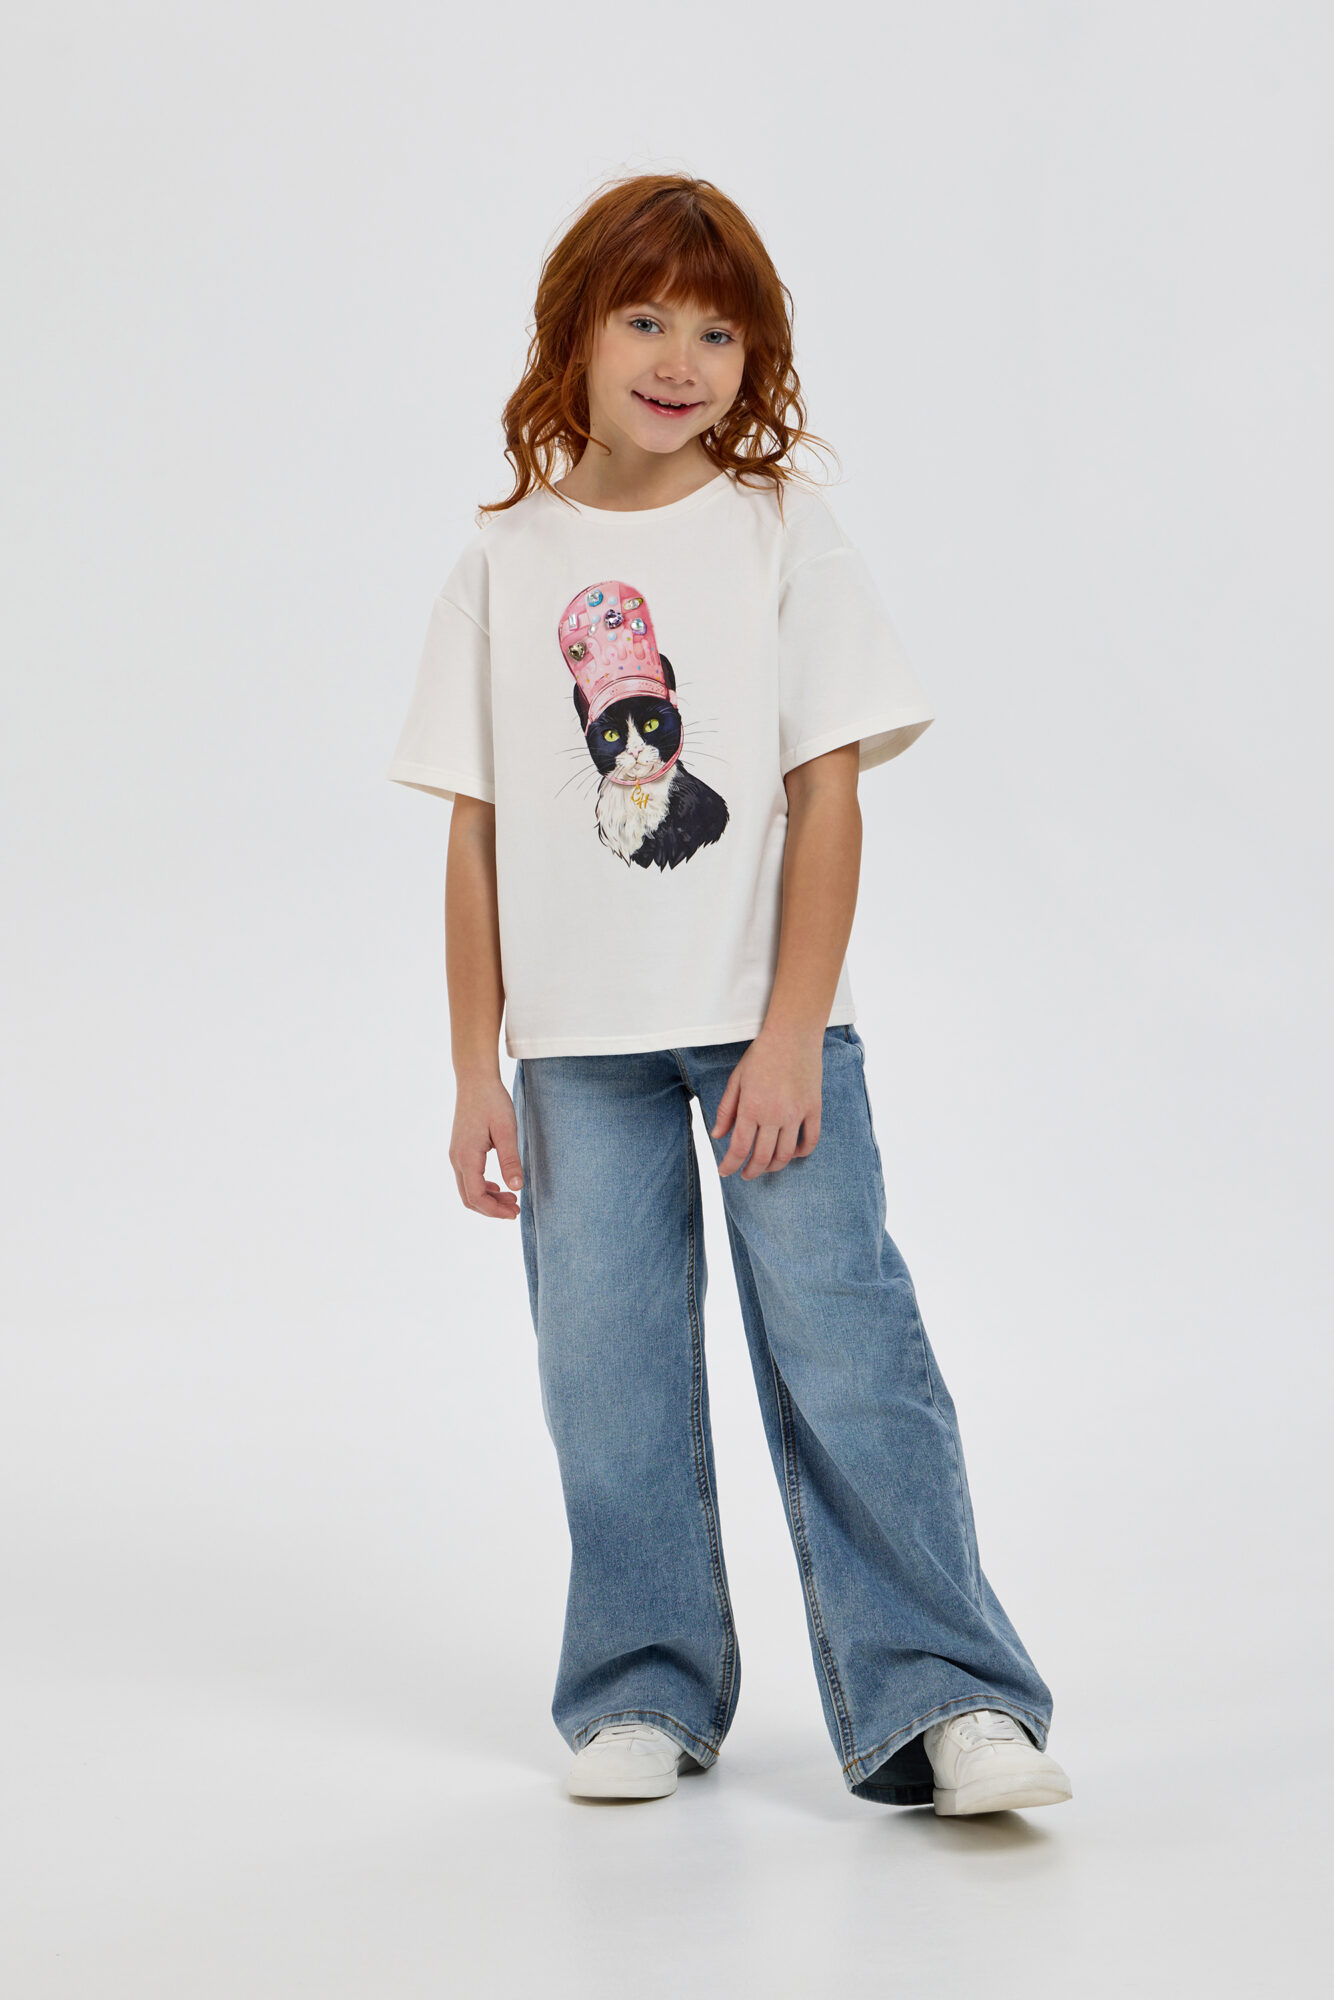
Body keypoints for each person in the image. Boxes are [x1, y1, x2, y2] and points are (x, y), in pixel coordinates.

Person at [388, 172, 1072, 1818]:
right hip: (575, 1056)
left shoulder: (778, 533)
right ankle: (642, 1684)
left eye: (717, 331)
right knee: (605, 1372)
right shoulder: (501, 560)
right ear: (573, 331)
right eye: (644, 319)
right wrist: (476, 1070)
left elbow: (828, 797)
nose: (679, 359)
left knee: (848, 1351)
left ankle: (949, 1697)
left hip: (768, 1033)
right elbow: (476, 835)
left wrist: (788, 1031)